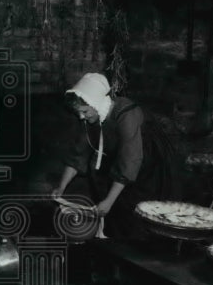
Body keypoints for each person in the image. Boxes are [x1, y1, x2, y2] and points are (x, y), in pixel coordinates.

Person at [51, 71, 147, 238]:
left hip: (145, 169)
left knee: (137, 220)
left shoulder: (126, 114)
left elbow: (130, 160)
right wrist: (61, 187)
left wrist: (109, 201)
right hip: (121, 169)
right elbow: (78, 154)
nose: (81, 117)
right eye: (78, 112)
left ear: (96, 103)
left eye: (85, 111)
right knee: (114, 219)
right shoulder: (92, 116)